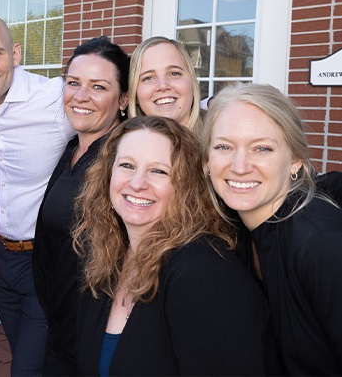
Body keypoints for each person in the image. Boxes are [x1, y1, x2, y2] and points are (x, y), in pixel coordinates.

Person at [73, 115, 278, 376]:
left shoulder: (200, 273)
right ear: (107, 175)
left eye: (158, 171)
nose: (137, 183)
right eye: (126, 165)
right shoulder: (108, 261)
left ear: (185, 186)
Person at [0, 11, 74, 376]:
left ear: (16, 54)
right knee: (26, 350)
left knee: (26, 368)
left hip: (45, 260)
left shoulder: (54, 99)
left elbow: (118, 108)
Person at [202, 83, 342, 374]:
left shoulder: (320, 245)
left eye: (262, 148)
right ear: (206, 162)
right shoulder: (236, 232)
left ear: (295, 162)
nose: (240, 166)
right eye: (224, 147)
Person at [32, 37, 130, 376]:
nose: (81, 96)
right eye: (73, 83)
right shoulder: (72, 149)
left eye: (98, 86)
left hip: (95, 339)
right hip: (61, 326)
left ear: (123, 99)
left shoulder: (125, 162)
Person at [128, 36, 202, 133]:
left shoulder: (220, 136)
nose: (163, 86)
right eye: (148, 78)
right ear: (135, 93)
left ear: (192, 81)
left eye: (174, 73)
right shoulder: (121, 147)